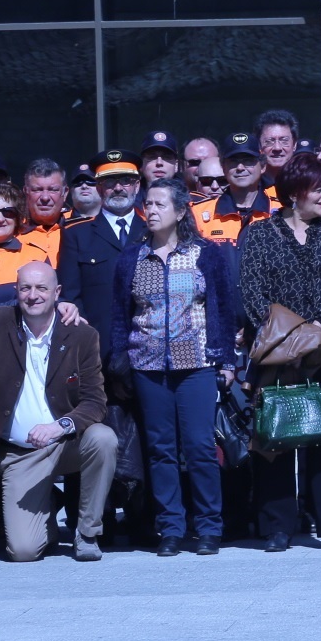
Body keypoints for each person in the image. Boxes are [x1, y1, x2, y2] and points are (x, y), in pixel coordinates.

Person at [0, 261, 116, 562]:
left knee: (104, 439)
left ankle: (88, 532)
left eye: (41, 288)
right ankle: (48, 504)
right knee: (23, 551)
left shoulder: (82, 335)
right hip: (20, 453)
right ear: (16, 291)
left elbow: (95, 401)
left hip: (67, 443)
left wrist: (60, 426)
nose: (33, 295)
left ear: (57, 293)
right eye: (25, 288)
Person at [111, 177, 239, 556]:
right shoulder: (132, 258)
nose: (150, 211)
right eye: (147, 204)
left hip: (196, 361)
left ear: (181, 211)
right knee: (160, 449)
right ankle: (170, 527)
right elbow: (120, 315)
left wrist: (226, 359)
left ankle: (210, 526)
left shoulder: (205, 254)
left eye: (159, 204)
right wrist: (120, 361)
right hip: (147, 364)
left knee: (200, 446)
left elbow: (222, 309)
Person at [240, 153, 321, 553]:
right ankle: (278, 524)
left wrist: (317, 329)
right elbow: (253, 291)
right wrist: (289, 338)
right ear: (295, 193)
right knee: (276, 432)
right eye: (319, 189)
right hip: (278, 350)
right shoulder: (260, 235)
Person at [58, 154, 146, 368]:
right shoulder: (76, 235)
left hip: (148, 351)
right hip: (98, 352)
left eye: (126, 181)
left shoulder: (152, 231)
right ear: (98, 188)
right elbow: (71, 296)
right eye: (109, 182)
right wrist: (86, 339)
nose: (118, 188)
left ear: (137, 186)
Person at [196, 133, 272, 247]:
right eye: (233, 161)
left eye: (248, 161)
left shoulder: (281, 210)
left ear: (263, 166)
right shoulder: (198, 214)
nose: (240, 168)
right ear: (223, 168)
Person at [18, 158, 69, 265]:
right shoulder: (12, 233)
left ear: (65, 193)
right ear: (26, 192)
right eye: (37, 190)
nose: (45, 197)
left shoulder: (79, 231)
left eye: (53, 190)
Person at [254, 109, 299, 187]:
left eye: (284, 141)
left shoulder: (306, 183)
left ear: (294, 144)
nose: (277, 148)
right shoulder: (251, 186)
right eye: (269, 141)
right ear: (259, 145)